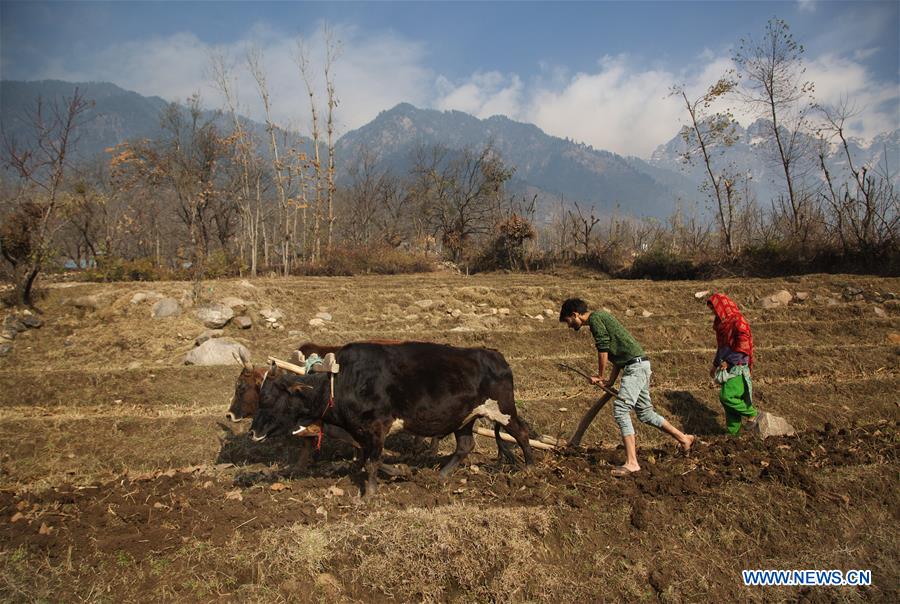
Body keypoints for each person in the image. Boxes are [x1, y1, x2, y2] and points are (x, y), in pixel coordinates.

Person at [559, 298, 694, 476]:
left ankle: (632, 462)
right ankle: (684, 438)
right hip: (637, 365)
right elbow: (618, 358)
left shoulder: (595, 320)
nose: (570, 326)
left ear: (575, 314)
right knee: (646, 413)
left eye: (569, 321)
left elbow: (603, 350)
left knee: (621, 409)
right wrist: (610, 381)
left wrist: (600, 376)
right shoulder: (601, 318)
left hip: (635, 368)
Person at [706, 293, 757, 434]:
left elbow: (743, 344)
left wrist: (729, 362)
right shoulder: (722, 324)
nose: (714, 313)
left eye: (715, 309)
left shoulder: (737, 321)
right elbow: (721, 348)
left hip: (738, 366)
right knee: (729, 405)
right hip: (727, 366)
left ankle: (751, 413)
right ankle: (733, 434)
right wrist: (715, 364)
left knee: (727, 396)